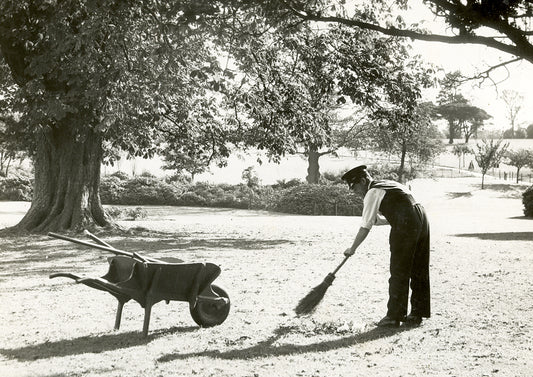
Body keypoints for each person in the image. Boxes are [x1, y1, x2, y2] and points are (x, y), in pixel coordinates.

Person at [342, 165, 430, 327]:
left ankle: (394, 316)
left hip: (407, 221)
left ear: (363, 181)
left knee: (398, 269)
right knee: (419, 267)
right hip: (421, 217)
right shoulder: (387, 184)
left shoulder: (372, 192)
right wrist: (377, 220)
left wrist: (352, 248)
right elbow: (390, 215)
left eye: (353, 186)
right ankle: (417, 313)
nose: (353, 191)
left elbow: (365, 227)